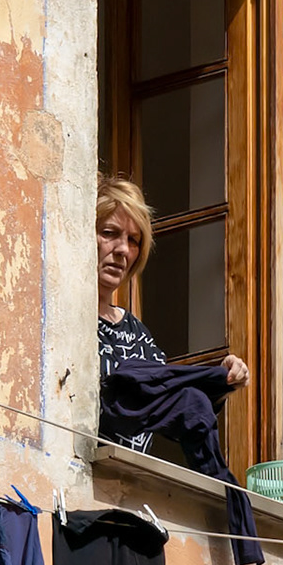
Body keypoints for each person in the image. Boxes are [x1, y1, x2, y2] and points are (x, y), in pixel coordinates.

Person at [95, 176, 249, 453]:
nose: (122, 250)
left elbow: (172, 411)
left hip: (126, 485)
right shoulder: (67, 319)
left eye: (133, 240)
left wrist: (218, 382)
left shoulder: (137, 333)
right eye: (109, 233)